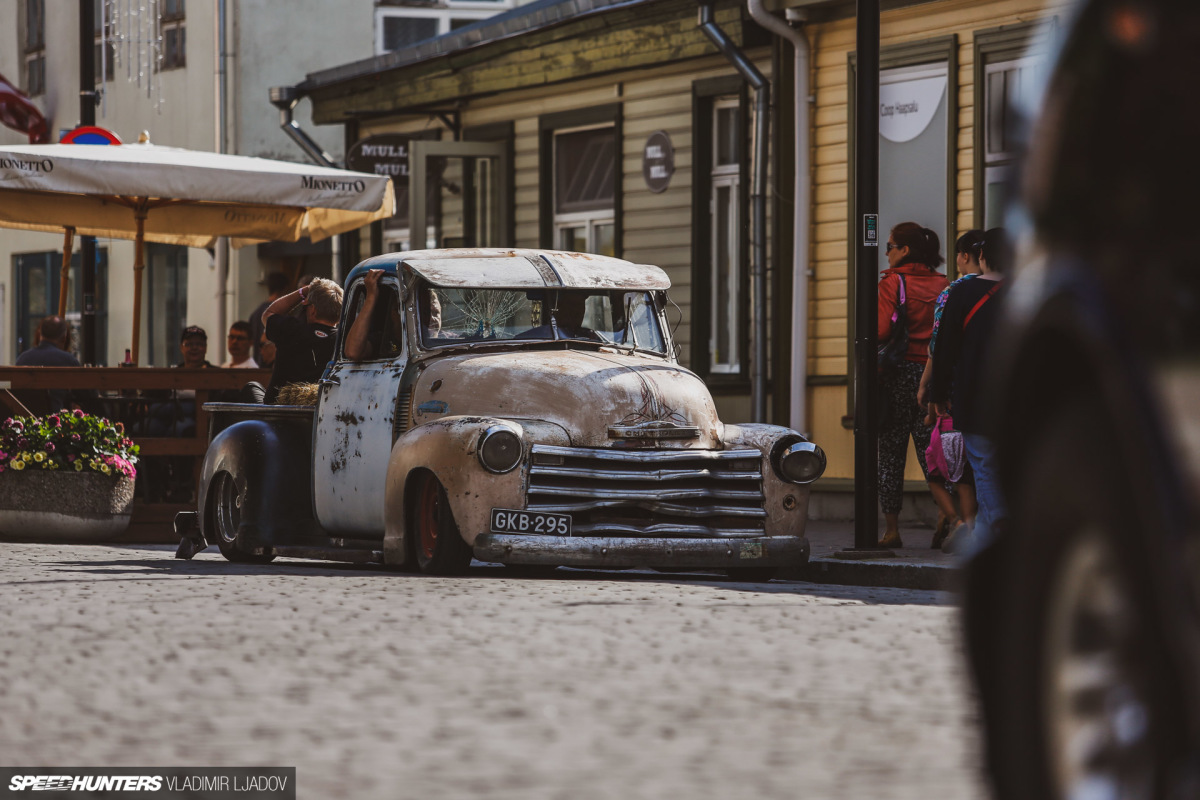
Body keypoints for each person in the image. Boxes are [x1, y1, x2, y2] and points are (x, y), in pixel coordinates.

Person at [928, 227, 1010, 554]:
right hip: (1018, 395)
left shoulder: (961, 292)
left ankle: (1001, 524)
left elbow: (945, 347)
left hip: (975, 395)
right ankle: (985, 541)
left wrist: (938, 392)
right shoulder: (1027, 291)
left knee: (985, 465)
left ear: (982, 257)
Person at [876, 222, 950, 549]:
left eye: (890, 246)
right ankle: (945, 515)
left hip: (897, 373)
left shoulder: (893, 283)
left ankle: (891, 529)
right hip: (932, 375)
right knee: (931, 450)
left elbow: (879, 331)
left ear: (904, 250)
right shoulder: (945, 284)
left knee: (891, 452)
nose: (887, 252)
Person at [917, 229, 986, 547]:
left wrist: (927, 389)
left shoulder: (953, 293)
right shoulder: (1009, 287)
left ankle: (972, 526)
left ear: (963, 256)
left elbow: (938, 348)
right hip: (994, 387)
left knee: (964, 465)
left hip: (960, 389)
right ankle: (981, 523)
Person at [262, 277, 343, 403]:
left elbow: (269, 313)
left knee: (251, 387)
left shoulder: (292, 329)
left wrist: (303, 292)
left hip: (279, 408)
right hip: (325, 408)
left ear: (313, 310)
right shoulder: (344, 340)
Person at [14, 315, 99, 413]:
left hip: (25, 421)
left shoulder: (22, 359)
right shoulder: (67, 360)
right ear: (64, 337)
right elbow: (88, 394)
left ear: (40, 334)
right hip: (56, 422)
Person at [344, 269, 411, 360]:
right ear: (392, 313)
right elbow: (353, 352)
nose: (431, 318)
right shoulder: (383, 340)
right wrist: (371, 296)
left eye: (435, 311)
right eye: (398, 309)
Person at [515, 292, 600, 341]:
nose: (577, 312)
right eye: (572, 305)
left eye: (580, 306)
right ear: (557, 308)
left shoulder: (592, 339)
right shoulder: (529, 339)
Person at [249, 272, 288, 367]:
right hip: (273, 365)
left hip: (257, 363)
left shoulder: (256, 313)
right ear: (286, 289)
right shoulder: (279, 313)